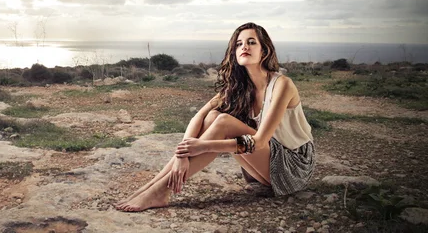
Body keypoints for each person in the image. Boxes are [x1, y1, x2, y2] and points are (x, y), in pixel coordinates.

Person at [115, 22, 315, 212]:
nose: (244, 46)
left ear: (264, 50)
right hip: (266, 162)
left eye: (251, 42)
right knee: (212, 116)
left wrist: (203, 146)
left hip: (293, 165)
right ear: (234, 53)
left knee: (223, 121)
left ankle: (160, 191)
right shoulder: (239, 86)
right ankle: (152, 186)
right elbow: (199, 116)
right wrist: (181, 157)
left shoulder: (282, 85)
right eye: (239, 44)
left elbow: (260, 142)